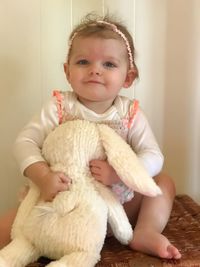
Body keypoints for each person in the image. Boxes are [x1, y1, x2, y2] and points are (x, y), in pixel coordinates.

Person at [0, 13, 181, 259]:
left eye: (109, 64)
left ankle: (145, 231)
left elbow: (153, 155)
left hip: (117, 205)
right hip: (63, 202)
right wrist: (43, 175)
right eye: (83, 62)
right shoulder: (59, 107)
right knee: (9, 224)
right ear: (67, 71)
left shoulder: (130, 113)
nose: (95, 70)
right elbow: (25, 142)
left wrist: (119, 174)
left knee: (163, 182)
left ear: (128, 77)